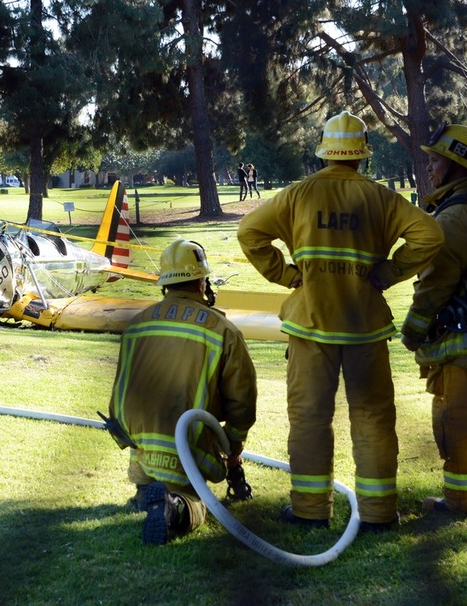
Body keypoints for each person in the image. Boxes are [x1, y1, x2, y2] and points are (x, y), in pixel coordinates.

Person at [237, 111, 444, 532]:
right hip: (364, 325)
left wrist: (287, 275)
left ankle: (311, 511)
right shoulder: (381, 197)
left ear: (324, 150)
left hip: (310, 324)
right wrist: (385, 274)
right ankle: (379, 513)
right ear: (363, 153)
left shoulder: (298, 194)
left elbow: (249, 232)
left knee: (311, 417)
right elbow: (431, 235)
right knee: (373, 418)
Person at [105, 239, 258, 545]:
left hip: (141, 442)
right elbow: (242, 399)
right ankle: (175, 509)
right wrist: (235, 444)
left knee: (150, 487)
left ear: (164, 283)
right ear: (202, 282)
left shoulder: (136, 325)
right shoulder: (222, 330)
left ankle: (147, 494)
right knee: (198, 501)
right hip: (189, 441)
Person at [400, 124, 467, 517]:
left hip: (457, 340)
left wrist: (412, 330)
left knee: (457, 418)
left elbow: (435, 283)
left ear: (456, 166)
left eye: (434, 161)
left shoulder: (452, 218)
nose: (428, 168)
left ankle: (464, 502)